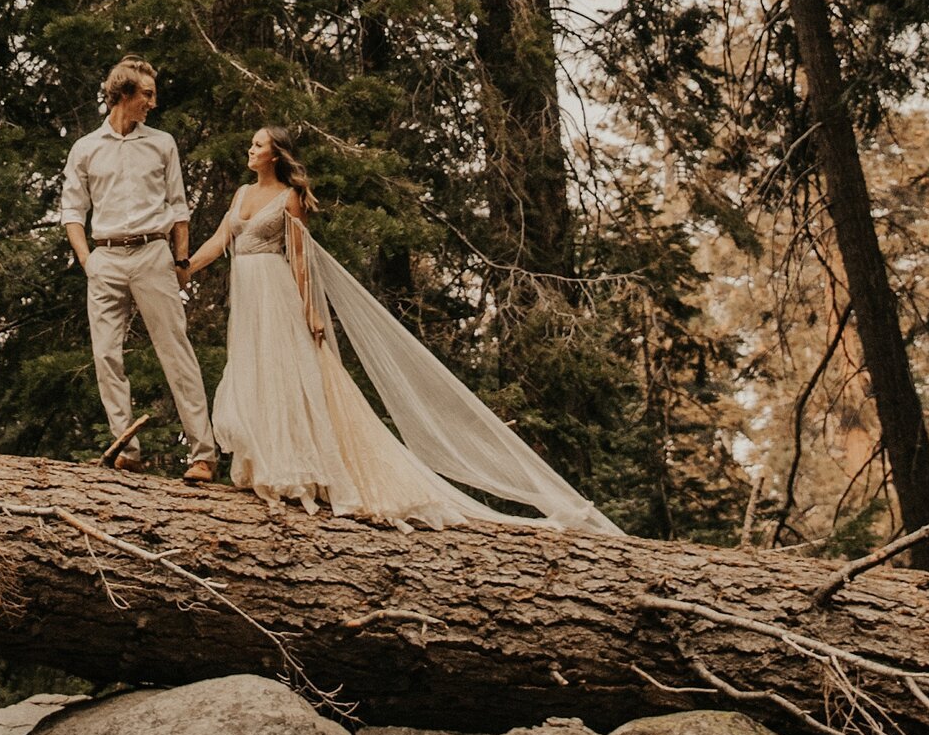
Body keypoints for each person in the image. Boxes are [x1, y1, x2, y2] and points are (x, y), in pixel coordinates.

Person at [186, 128, 617, 532]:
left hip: (277, 293)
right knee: (255, 371)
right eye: (253, 144)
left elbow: (300, 258)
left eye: (258, 145)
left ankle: (297, 471)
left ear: (275, 154)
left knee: (288, 372)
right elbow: (220, 241)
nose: (251, 149)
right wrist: (185, 268)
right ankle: (265, 463)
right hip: (246, 298)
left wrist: (311, 310)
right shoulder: (242, 193)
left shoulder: (291, 197)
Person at [59, 58, 219, 482]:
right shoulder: (86, 148)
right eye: (146, 94)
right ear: (123, 94)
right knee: (106, 354)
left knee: (176, 351)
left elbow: (178, 207)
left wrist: (181, 261)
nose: (153, 101)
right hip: (105, 257)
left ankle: (203, 454)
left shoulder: (162, 143)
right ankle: (126, 449)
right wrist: (88, 261)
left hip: (153, 254)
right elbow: (73, 211)